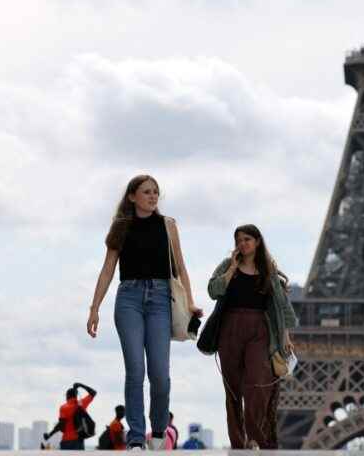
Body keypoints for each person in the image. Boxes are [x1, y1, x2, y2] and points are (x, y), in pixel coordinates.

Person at [86, 175, 202, 450]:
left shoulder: (168, 225)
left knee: (160, 375)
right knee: (135, 371)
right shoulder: (121, 227)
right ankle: (137, 437)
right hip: (129, 299)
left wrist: (189, 303)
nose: (152, 197)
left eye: (156, 193)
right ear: (132, 197)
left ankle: (159, 429)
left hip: (162, 299)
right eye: (147, 192)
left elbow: (181, 268)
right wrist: (94, 308)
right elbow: (107, 269)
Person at [207, 224, 297, 449]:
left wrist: (285, 335)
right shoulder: (228, 266)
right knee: (233, 389)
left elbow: (281, 305)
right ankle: (239, 443)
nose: (242, 243)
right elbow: (213, 291)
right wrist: (231, 270)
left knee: (258, 383)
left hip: (259, 329)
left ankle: (256, 437)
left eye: (247, 239)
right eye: (238, 240)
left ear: (257, 241)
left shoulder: (268, 270)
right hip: (230, 328)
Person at [44, 382, 96, 450]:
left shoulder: (64, 407)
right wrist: (80, 385)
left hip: (66, 441)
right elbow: (93, 392)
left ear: (67, 396)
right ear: (76, 396)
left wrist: (50, 434)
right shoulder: (81, 404)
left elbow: (61, 424)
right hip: (78, 440)